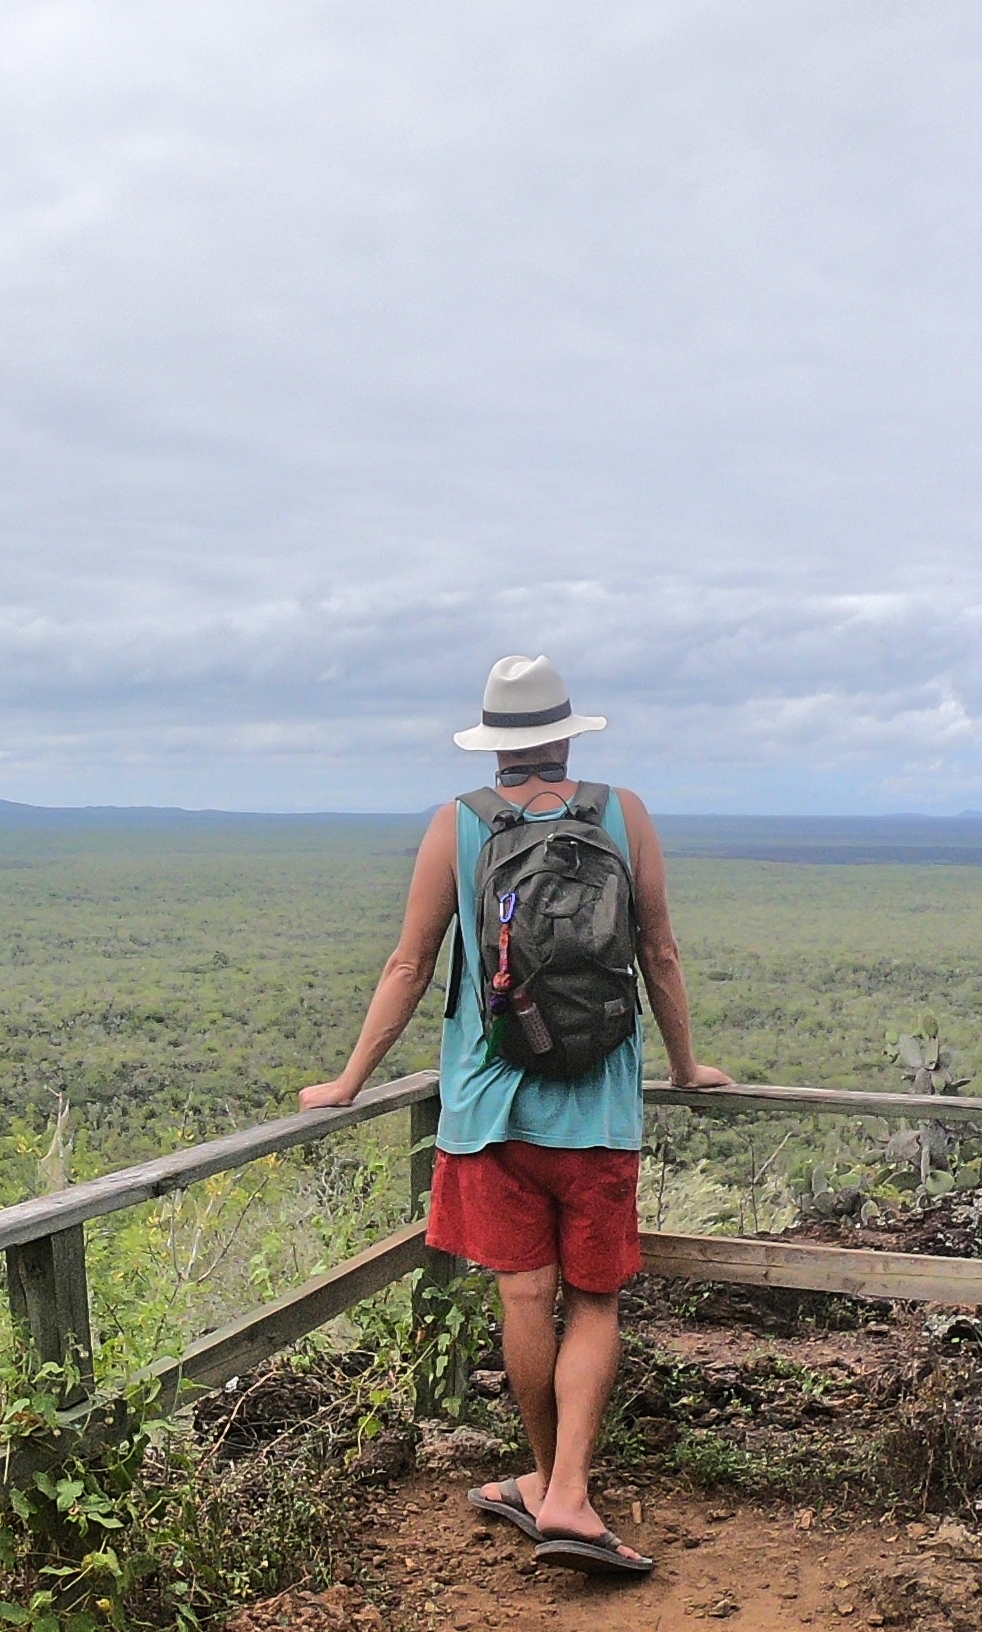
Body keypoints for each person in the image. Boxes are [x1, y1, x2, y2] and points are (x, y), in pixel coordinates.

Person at [300, 656, 729, 1582]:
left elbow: (410, 966)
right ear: (567, 737)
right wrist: (686, 1066)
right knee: (595, 1302)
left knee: (526, 1301)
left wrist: (348, 1080)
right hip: (599, 1112)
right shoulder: (623, 814)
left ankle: (548, 1482)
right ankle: (564, 1490)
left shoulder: (458, 824)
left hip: (490, 1113)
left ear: (493, 745)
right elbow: (659, 951)